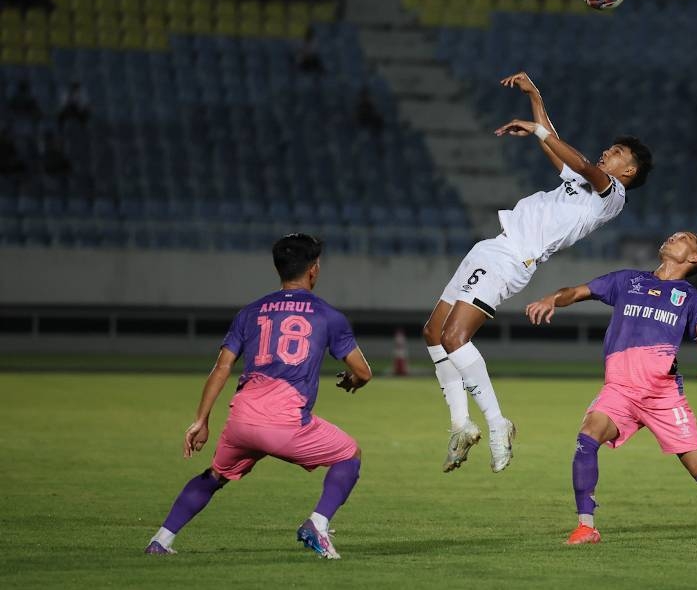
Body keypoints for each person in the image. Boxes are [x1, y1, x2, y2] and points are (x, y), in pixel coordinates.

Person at [423, 70, 653, 474]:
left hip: (512, 258)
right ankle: (460, 425)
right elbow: (560, 150)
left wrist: (539, 131)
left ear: (628, 171)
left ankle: (498, 424)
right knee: (434, 333)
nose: (607, 152)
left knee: (456, 339)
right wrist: (535, 97)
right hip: (492, 247)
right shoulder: (580, 183)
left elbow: (577, 158)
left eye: (617, 152)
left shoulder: (612, 196)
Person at [525, 231, 697, 545]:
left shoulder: (690, 297)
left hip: (662, 395)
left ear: (694, 258)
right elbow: (578, 291)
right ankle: (586, 526)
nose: (672, 237)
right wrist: (552, 298)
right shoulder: (628, 281)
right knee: (587, 436)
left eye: (683, 238)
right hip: (620, 390)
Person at [144, 234, 373, 560]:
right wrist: (352, 381)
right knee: (349, 455)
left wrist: (201, 420)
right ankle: (317, 525)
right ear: (313, 270)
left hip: (242, 418)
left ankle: (161, 540)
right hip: (285, 423)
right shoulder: (327, 315)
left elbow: (221, 368)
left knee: (214, 476)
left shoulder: (250, 312)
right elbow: (363, 371)